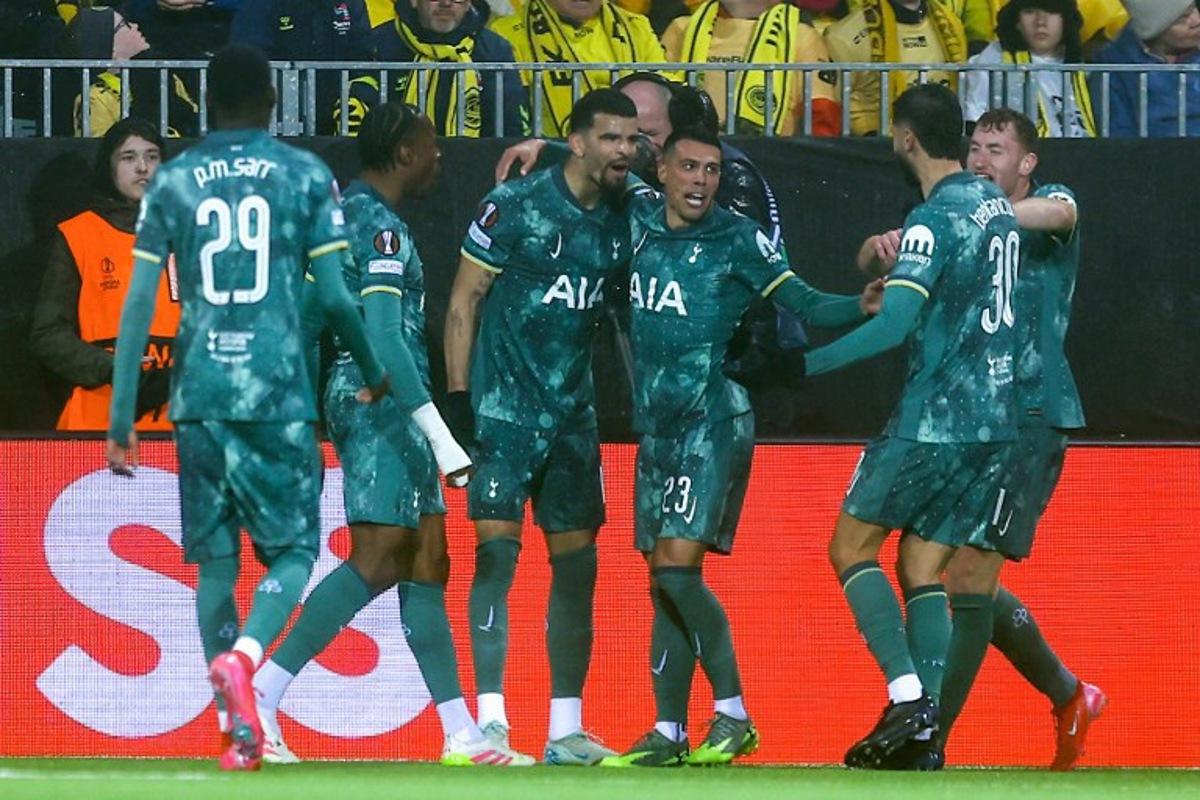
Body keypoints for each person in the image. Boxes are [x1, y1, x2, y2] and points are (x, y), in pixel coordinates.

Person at [105, 44, 400, 772]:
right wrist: (372, 369)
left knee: (213, 564)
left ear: (207, 104)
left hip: (199, 391)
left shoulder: (172, 180)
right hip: (275, 390)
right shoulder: (304, 174)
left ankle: (235, 731)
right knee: (294, 551)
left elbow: (142, 301)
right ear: (271, 101)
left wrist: (119, 417)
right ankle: (245, 657)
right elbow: (332, 294)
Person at [595, 125, 880, 767]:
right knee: (662, 579)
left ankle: (734, 715)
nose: (701, 181)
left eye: (713, 171)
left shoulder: (737, 238)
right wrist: (540, 147)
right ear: (663, 172)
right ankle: (668, 732)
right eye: (690, 168)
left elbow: (801, 299)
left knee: (675, 567)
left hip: (712, 418)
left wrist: (855, 305)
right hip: (657, 425)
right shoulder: (638, 211)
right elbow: (588, 158)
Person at [249, 102, 510, 768]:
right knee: (378, 552)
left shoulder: (346, 216)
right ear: (402, 155)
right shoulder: (378, 227)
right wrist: (445, 441)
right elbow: (385, 335)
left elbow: (312, 317)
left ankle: (460, 733)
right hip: (380, 397)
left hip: (385, 396)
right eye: (431, 148)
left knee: (427, 558)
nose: (439, 159)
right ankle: (262, 691)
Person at [804, 83, 1019, 769]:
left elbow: (894, 324)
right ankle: (923, 732)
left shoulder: (933, 217)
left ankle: (907, 697)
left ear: (903, 137)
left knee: (850, 547)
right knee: (922, 563)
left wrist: (798, 368)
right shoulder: (996, 207)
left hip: (935, 418)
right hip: (995, 418)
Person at [443, 88, 641, 766]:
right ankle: (492, 724)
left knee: (576, 568)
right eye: (611, 137)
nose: (625, 150)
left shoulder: (628, 212)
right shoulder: (514, 206)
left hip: (574, 417)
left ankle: (565, 729)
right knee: (496, 557)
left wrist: (556, 147)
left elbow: (681, 192)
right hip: (503, 410)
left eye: (632, 139)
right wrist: (460, 400)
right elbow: (465, 297)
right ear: (580, 140)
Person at [937, 106, 1104, 770]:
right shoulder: (962, 225)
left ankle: (931, 741)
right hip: (964, 417)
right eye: (974, 148)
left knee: (971, 572)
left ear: (1026, 163)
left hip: (1031, 416)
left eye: (996, 149)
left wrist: (981, 217)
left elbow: (1057, 217)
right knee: (947, 576)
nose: (981, 160)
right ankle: (1070, 694)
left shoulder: (1051, 205)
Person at [30, 117, 177, 432]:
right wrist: (111, 367)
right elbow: (48, 335)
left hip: (180, 421)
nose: (143, 168)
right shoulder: (79, 234)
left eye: (152, 157)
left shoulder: (192, 233)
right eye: (129, 157)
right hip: (100, 421)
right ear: (109, 168)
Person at [660, 0, 842, 136]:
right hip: (690, 156)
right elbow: (658, 99)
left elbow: (822, 115)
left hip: (770, 157)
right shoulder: (682, 28)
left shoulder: (800, 35)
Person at [489, 0, 671, 136]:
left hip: (634, 149)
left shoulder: (637, 27)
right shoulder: (507, 33)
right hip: (550, 157)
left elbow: (667, 92)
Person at [351, 0, 530, 137]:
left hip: (474, 168)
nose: (446, 3)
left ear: (469, 3)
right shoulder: (377, 45)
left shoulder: (495, 50)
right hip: (392, 168)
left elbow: (511, 123)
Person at [824, 0, 969, 135]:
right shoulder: (843, 37)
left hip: (944, 144)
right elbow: (832, 110)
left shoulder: (952, 25)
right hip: (876, 151)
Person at [963, 0, 1096, 138]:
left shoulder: (1079, 65)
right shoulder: (994, 58)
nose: (1040, 22)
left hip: (1082, 153)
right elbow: (973, 118)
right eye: (1030, 11)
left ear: (1066, 20)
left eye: (1051, 11)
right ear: (1016, 20)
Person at [65, 4, 200, 137]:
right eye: (125, 25)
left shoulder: (165, 77)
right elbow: (96, 151)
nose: (135, 26)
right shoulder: (95, 98)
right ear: (112, 50)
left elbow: (197, 124)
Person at [1091, 0, 1200, 138]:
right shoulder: (1114, 70)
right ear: (1156, 31)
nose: (1197, 20)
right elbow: (1119, 138)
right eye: (1182, 19)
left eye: (1193, 8)